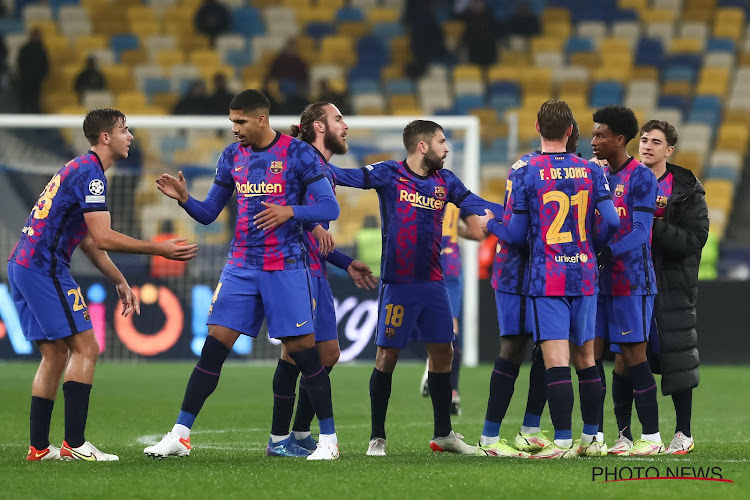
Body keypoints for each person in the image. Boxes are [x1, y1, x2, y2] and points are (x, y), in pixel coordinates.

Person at [144, 89, 342, 461]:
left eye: (240, 121)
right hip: (241, 266)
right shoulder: (231, 156)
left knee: (304, 353)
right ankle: (180, 434)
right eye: (232, 121)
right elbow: (208, 214)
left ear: (261, 119)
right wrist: (185, 199)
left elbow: (328, 206)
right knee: (213, 347)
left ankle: (328, 441)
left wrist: (290, 211)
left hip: (285, 267)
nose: (234, 128)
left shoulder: (299, 154)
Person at [8, 108, 198, 462]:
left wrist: (119, 279)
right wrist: (159, 248)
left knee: (54, 354)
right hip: (44, 268)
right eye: (125, 130)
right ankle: (75, 445)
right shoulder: (91, 175)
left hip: (24, 265)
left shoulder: (78, 168)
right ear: (106, 137)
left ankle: (38, 448)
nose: (131, 136)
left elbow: (87, 241)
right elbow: (103, 236)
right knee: (86, 348)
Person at [330, 120, 502, 456]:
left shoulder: (445, 181)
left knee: (444, 353)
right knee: (386, 356)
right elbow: (344, 176)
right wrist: (309, 157)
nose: (446, 148)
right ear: (422, 146)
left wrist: (515, 210)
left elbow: (476, 203)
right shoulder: (388, 173)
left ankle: (443, 435)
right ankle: (377, 437)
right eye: (441, 142)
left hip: (434, 283)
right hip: (398, 284)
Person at [480, 99, 619, 459]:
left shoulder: (526, 171)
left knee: (554, 359)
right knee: (586, 357)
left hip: (547, 274)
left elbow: (514, 233)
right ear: (572, 131)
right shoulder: (591, 170)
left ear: (538, 128)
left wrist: (489, 224)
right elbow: (614, 221)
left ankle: (557, 442)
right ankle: (592, 439)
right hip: (585, 271)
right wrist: (591, 245)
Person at [265, 101, 377, 457]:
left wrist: (345, 262)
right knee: (293, 353)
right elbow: (274, 201)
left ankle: (299, 433)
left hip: (317, 270)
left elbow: (320, 237)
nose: (345, 125)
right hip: (293, 269)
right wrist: (310, 222)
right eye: (339, 119)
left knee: (328, 353)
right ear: (318, 127)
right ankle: (279, 439)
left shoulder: (322, 167)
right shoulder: (298, 159)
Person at [475, 119, 582, 458]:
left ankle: (530, 430)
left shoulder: (568, 172)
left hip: (547, 272)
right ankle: (489, 438)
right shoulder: (526, 168)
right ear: (566, 134)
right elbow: (516, 229)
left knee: (546, 349)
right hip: (515, 272)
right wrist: (491, 224)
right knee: (513, 347)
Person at [609, 120, 708, 455]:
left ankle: (683, 433)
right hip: (629, 281)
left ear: (669, 150)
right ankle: (624, 435)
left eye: (656, 142)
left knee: (676, 358)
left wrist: (651, 224)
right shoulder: (621, 179)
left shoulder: (685, 189)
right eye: (645, 139)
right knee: (626, 358)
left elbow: (695, 239)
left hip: (669, 285)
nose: (647, 145)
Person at [590, 105, 663, 456]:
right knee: (594, 355)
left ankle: (651, 437)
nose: (593, 140)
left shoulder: (642, 177)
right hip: (599, 284)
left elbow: (641, 232)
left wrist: (608, 253)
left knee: (633, 356)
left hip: (633, 281)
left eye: (600, 135)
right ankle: (617, 436)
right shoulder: (596, 174)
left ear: (619, 139)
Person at [418, 204, 484, 416]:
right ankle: (453, 392)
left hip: (428, 258)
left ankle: (431, 365)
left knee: (428, 320)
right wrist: (455, 230)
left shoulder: (420, 194)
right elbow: (477, 233)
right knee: (452, 326)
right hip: (452, 261)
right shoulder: (456, 199)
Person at [16, 28, 48, 113]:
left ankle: (35, 117)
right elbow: (20, 63)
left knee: (35, 99)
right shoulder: (25, 49)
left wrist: (42, 75)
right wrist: (23, 74)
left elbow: (45, 64)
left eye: (38, 36)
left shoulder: (42, 50)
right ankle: (22, 117)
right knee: (24, 99)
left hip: (37, 79)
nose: (36, 37)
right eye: (34, 35)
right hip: (25, 79)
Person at [461, 0, 499, 68]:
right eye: (475, 3)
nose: (477, 6)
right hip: (474, 51)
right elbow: (467, 35)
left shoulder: (490, 17)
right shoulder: (468, 18)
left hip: (488, 51)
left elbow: (495, 34)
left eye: (479, 3)